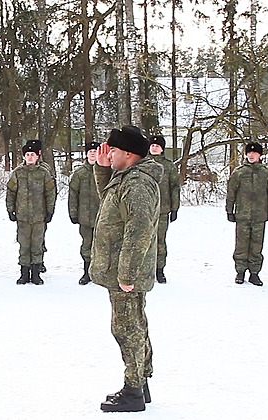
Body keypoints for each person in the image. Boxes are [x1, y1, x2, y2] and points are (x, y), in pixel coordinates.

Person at [89, 126, 161, 412]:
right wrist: (102, 169)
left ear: (129, 155)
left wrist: (127, 275)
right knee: (135, 325)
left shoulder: (137, 184)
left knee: (126, 329)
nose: (109, 155)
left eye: (114, 151)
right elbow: (111, 202)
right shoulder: (126, 178)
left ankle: (133, 391)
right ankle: (140, 381)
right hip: (120, 268)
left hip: (124, 272)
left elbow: (139, 229)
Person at [226, 142, 268, 286]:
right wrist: (230, 210)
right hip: (242, 215)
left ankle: (254, 273)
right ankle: (240, 272)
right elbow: (231, 192)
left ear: (259, 155)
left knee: (256, 245)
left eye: (254, 153)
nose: (251, 155)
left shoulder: (266, 173)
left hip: (259, 216)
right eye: (249, 153)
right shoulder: (239, 172)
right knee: (241, 244)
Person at [6, 143, 56, 285]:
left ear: (37, 156)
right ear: (24, 156)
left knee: (37, 245)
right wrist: (10, 209)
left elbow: (50, 193)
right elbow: (11, 192)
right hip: (22, 217)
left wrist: (50, 211)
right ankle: (24, 273)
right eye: (27, 155)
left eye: (32, 154)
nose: (30, 157)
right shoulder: (17, 172)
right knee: (24, 245)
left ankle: (35, 274)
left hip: (39, 216)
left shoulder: (43, 173)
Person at [147, 135, 180, 283]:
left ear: (162, 148)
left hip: (162, 209)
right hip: (145, 210)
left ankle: (160, 270)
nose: (154, 147)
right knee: (144, 241)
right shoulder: (142, 163)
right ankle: (145, 270)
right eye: (152, 145)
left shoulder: (169, 166)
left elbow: (174, 187)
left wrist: (174, 208)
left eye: (157, 146)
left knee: (160, 241)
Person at [68, 141, 101, 285]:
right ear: (86, 154)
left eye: (95, 151)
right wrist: (73, 213)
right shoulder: (80, 173)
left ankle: (100, 273)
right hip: (85, 217)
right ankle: (87, 272)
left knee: (103, 246)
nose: (92, 153)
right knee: (87, 245)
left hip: (103, 217)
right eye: (90, 151)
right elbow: (73, 194)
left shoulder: (107, 171)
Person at [25, 139, 56, 272]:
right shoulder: (21, 170)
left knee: (39, 237)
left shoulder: (45, 169)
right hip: (25, 212)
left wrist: (49, 209)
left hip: (40, 209)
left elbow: (51, 190)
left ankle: (39, 261)